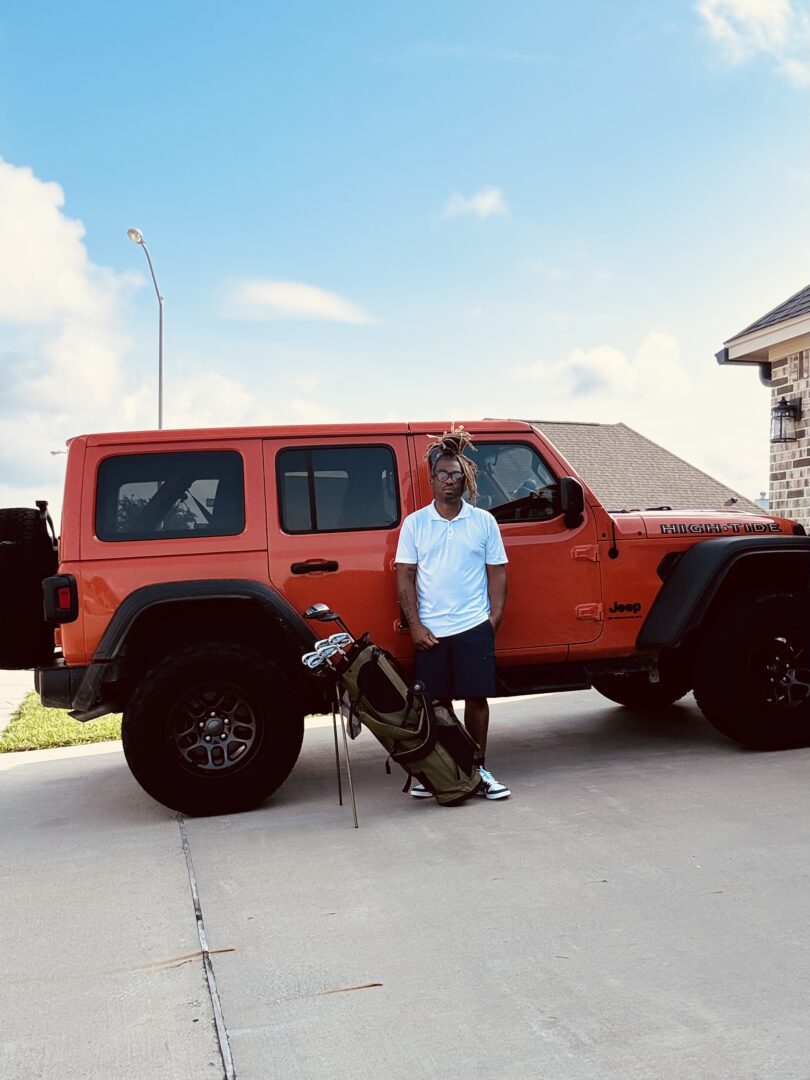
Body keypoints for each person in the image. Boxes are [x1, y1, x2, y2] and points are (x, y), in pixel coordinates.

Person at [394, 427, 510, 800]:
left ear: (466, 479)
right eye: (443, 474)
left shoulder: (483, 522)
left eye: (457, 475)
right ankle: (441, 774)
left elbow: (498, 571)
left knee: (476, 699)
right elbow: (405, 575)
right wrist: (415, 627)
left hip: (473, 624)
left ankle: (478, 769)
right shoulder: (415, 524)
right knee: (435, 705)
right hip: (431, 632)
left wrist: (493, 619)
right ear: (431, 479)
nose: (450, 480)